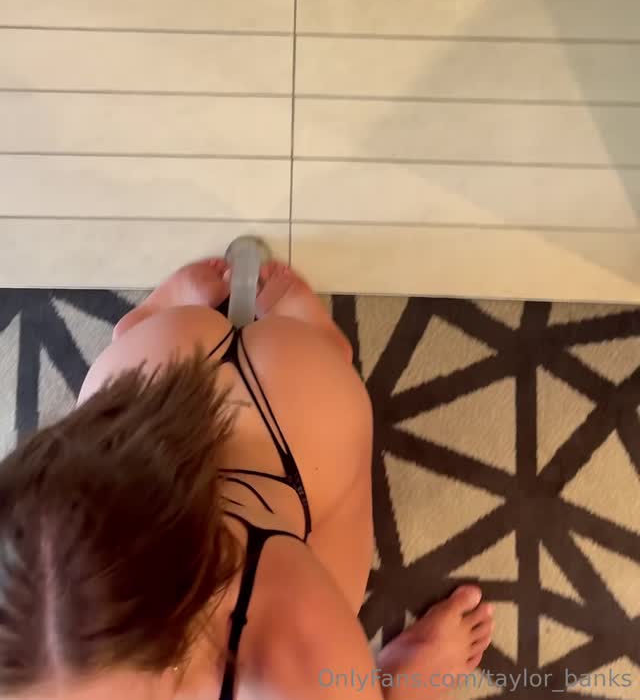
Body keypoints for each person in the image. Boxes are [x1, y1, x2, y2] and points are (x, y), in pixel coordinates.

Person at [0, 257, 494, 699]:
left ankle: (402, 681)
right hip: (175, 361)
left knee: (340, 635)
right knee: (125, 389)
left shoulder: (297, 664)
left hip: (293, 425)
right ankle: (150, 327)